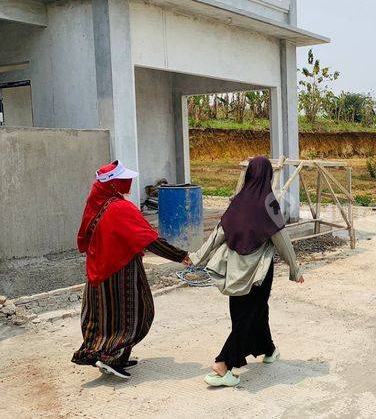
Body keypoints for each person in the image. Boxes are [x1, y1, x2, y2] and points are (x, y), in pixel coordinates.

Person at [189, 156, 304, 388]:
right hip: (258, 274)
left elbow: (218, 233)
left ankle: (268, 349)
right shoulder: (269, 202)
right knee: (249, 316)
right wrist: (295, 269)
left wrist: (195, 257)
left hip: (235, 271)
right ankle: (224, 365)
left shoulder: (238, 201)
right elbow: (281, 239)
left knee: (249, 313)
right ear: (268, 176)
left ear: (249, 174)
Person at [72, 160, 191, 379]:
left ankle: (112, 354)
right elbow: (148, 239)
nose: (129, 182)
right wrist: (180, 255)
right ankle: (110, 357)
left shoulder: (100, 203)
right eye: (124, 179)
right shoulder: (120, 208)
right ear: (115, 184)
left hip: (100, 269)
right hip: (120, 270)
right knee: (137, 311)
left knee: (104, 314)